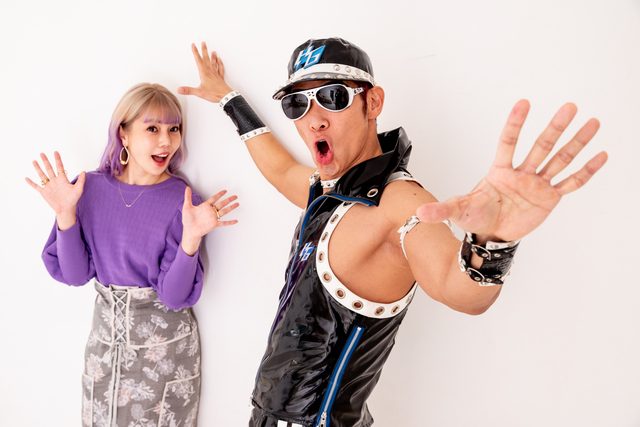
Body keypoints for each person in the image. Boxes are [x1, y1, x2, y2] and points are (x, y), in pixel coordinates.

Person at [179, 38, 608, 427]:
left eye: (332, 97)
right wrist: (228, 98)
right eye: (297, 104)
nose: (315, 120)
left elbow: (461, 291)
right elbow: (280, 168)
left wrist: (494, 240)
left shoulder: (398, 202)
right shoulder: (327, 190)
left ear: (373, 102)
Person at [26, 83, 239, 427]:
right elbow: (75, 275)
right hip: (104, 349)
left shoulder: (183, 201)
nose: (166, 141)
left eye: (174, 129)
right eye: (152, 128)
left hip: (165, 353)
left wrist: (191, 238)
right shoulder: (88, 189)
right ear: (123, 134)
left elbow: (174, 297)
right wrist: (65, 214)